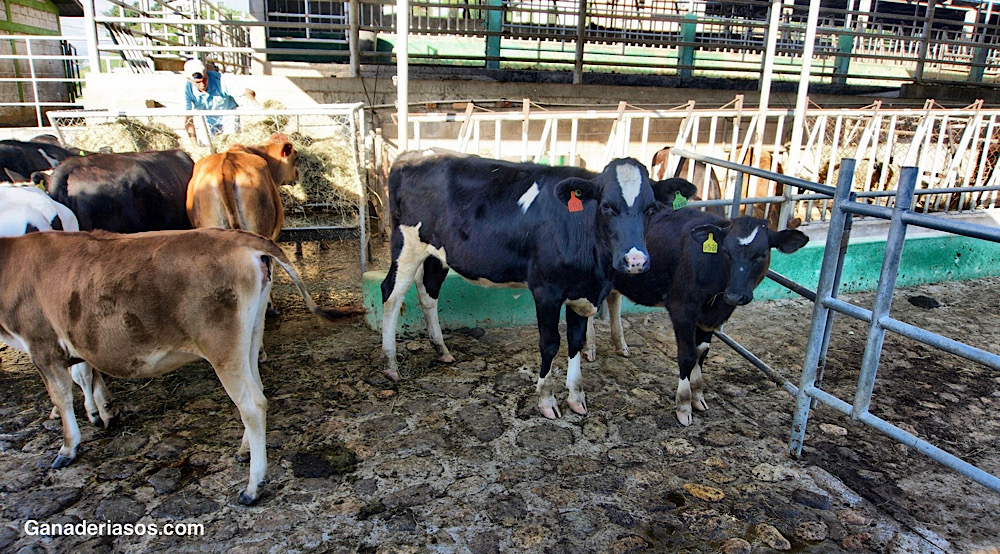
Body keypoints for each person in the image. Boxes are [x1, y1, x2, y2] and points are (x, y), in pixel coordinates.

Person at [182, 59, 256, 144]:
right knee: (206, 145)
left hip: (228, 115)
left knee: (231, 142)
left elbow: (247, 92)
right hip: (206, 118)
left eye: (205, 80)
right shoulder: (185, 90)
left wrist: (252, 101)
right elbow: (187, 119)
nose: (202, 85)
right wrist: (194, 145)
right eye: (198, 82)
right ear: (189, 79)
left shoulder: (220, 79)